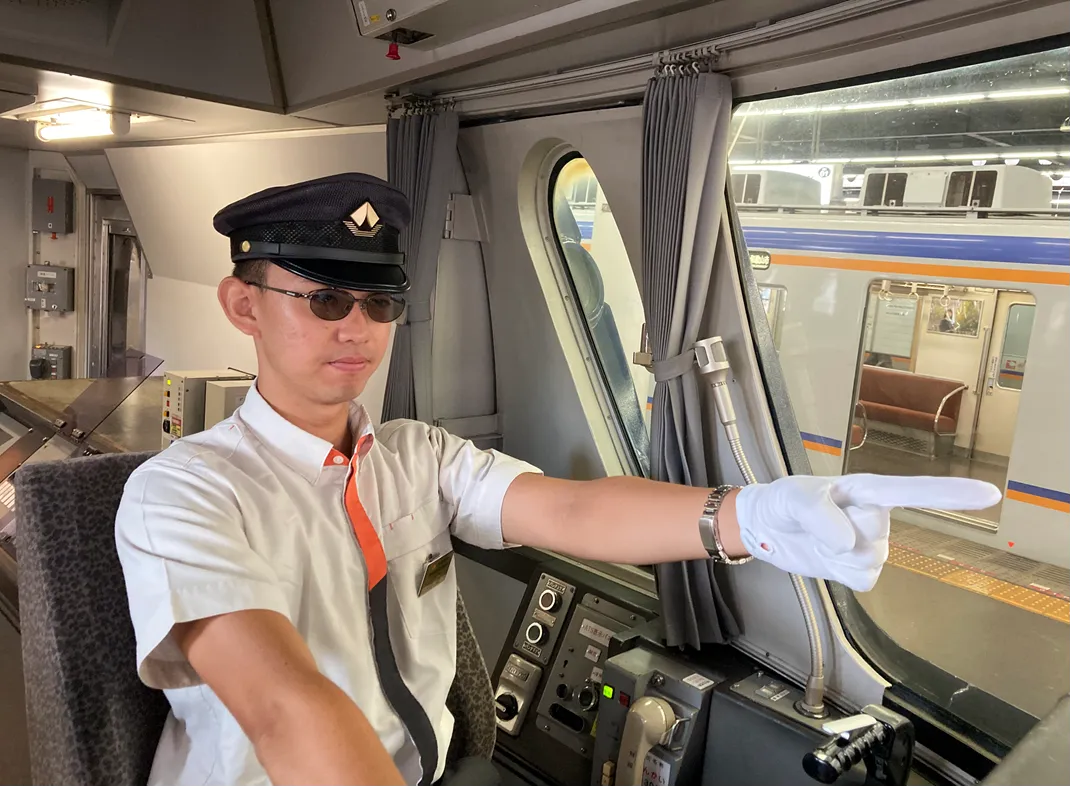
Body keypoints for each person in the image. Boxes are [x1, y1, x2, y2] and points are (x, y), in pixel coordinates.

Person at [114, 173, 999, 787]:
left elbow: (573, 509)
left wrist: (753, 516)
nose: (358, 329)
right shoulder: (184, 492)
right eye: (324, 299)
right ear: (243, 305)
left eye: (380, 302)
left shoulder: (416, 455)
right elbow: (285, 708)